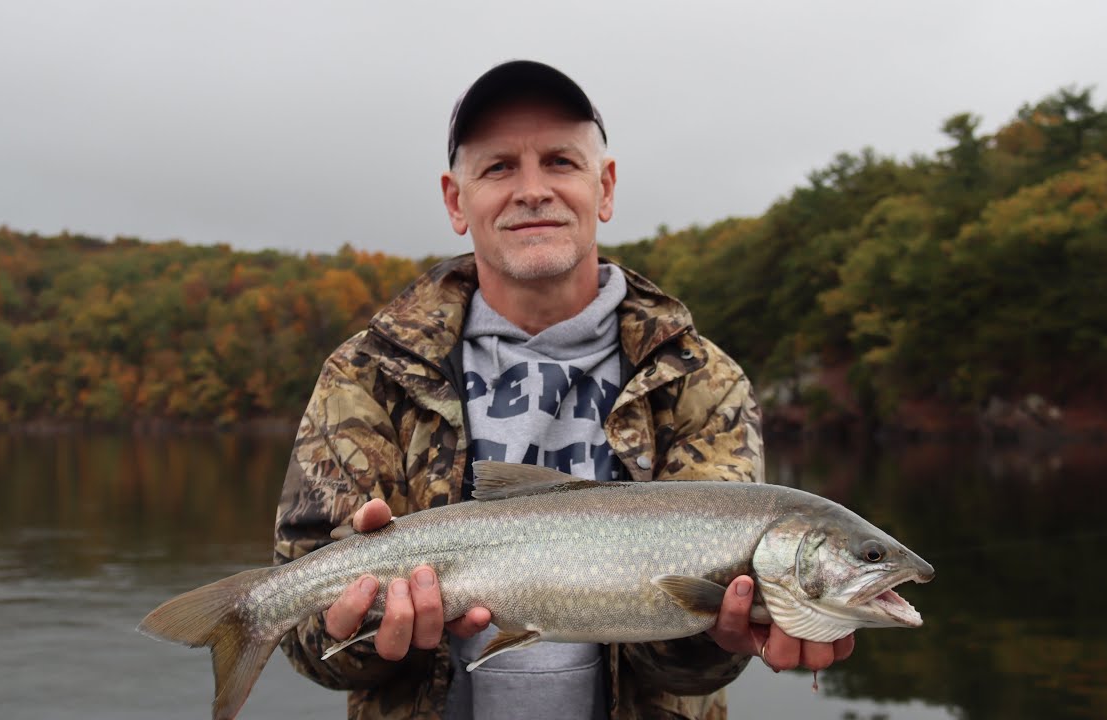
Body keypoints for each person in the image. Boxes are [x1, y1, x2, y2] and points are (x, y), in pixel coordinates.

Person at [273, 60, 854, 720]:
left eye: (559, 162)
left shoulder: (701, 381)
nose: (532, 191)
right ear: (454, 200)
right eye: (498, 168)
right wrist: (369, 634)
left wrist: (721, 638)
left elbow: (687, 670)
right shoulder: (366, 376)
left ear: (603, 188)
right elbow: (305, 643)